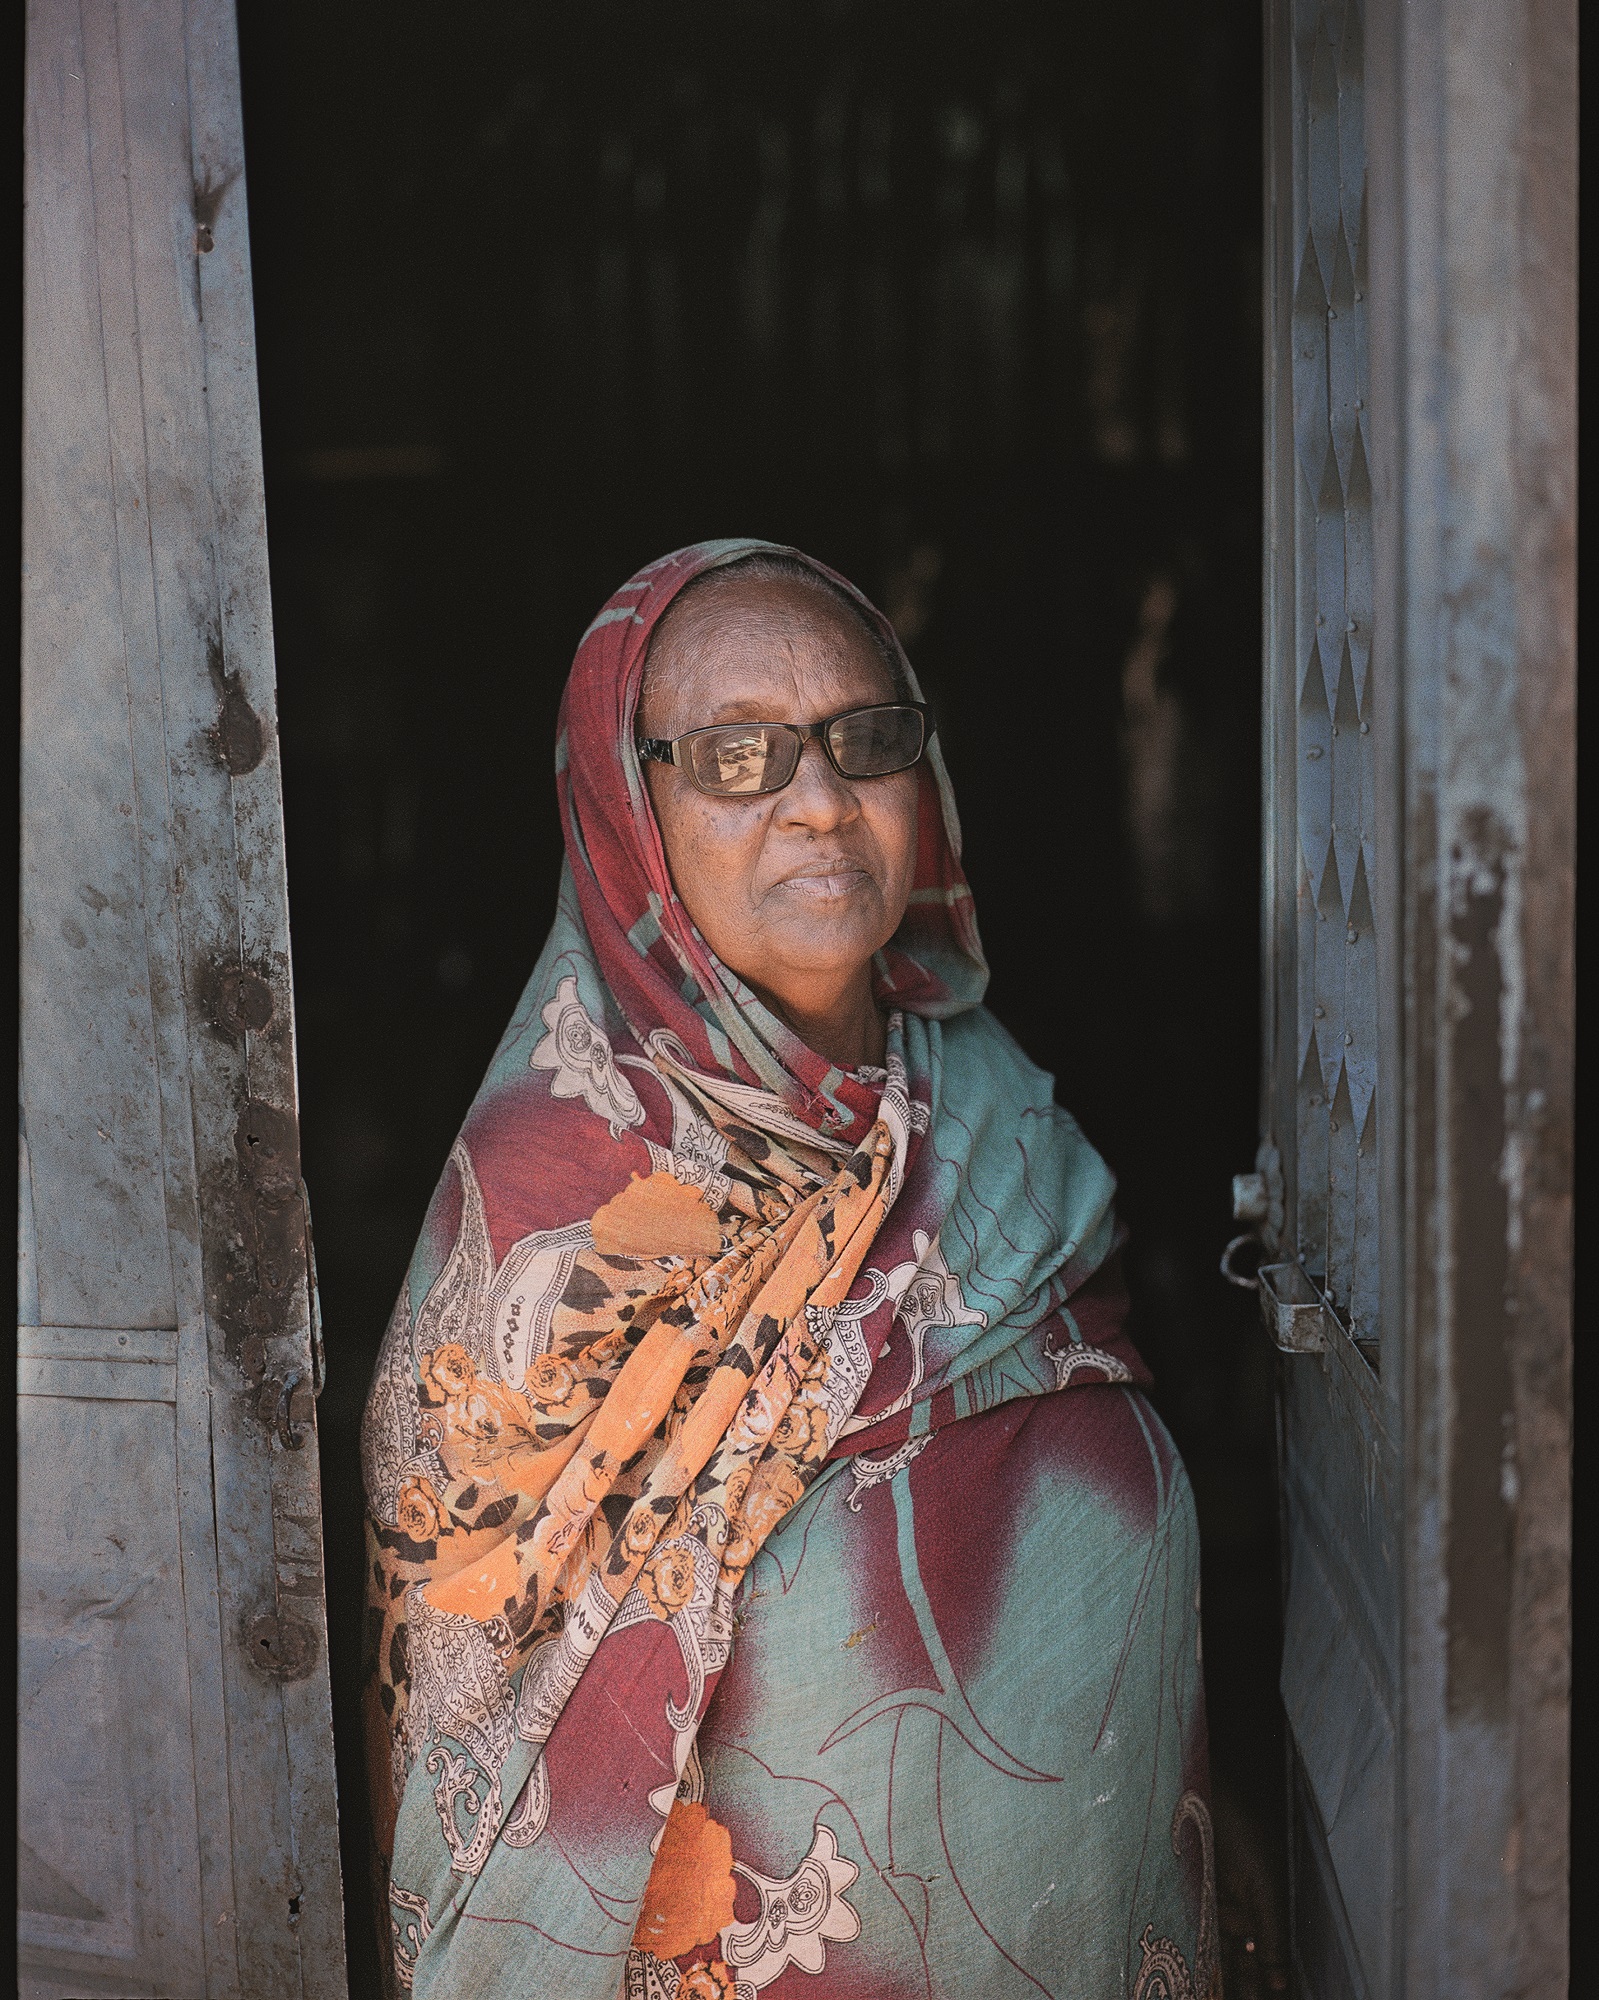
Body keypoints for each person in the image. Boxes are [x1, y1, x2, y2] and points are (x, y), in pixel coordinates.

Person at [361, 541, 1216, 2000]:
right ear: (628, 810)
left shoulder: (1001, 1114)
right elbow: (474, 1750)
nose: (820, 803)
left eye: (866, 741)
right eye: (738, 757)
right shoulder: (545, 1220)